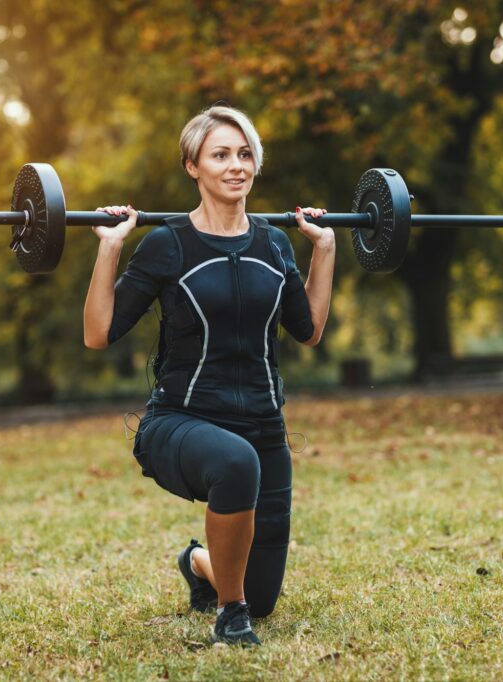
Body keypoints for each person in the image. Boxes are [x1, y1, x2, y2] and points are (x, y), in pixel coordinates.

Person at [83, 105, 334, 646]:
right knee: (233, 464)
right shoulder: (168, 244)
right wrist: (109, 248)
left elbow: (308, 331)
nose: (236, 166)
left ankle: (200, 564)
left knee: (262, 597)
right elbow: (99, 333)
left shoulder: (273, 243)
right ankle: (230, 615)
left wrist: (325, 250)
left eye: (245, 155)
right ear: (193, 166)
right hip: (179, 424)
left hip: (265, 430)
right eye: (220, 155)